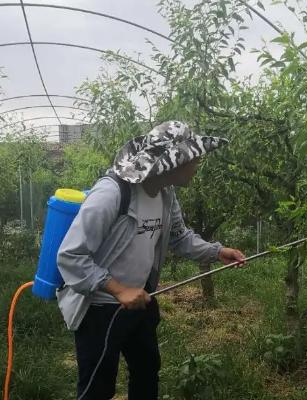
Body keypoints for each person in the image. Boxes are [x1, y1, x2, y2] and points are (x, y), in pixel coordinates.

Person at [56, 121, 245, 400]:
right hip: (100, 308)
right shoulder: (111, 194)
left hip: (140, 301)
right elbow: (71, 255)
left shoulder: (166, 194)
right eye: (195, 158)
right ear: (174, 162)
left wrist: (217, 251)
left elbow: (179, 238)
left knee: (146, 372)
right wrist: (119, 290)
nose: (198, 165)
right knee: (97, 387)